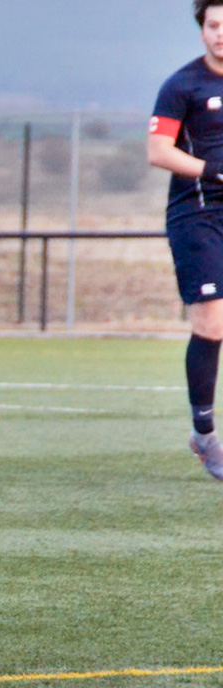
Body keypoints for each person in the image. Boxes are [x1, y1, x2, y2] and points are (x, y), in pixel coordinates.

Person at [148, 0, 223, 481]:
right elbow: (158, 151)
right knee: (212, 324)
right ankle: (205, 435)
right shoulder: (182, 86)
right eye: (214, 25)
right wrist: (214, 171)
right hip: (198, 217)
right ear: (202, 31)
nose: (221, 34)